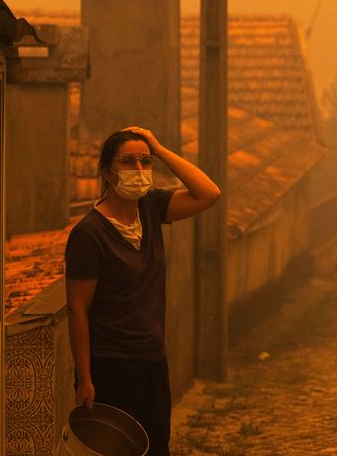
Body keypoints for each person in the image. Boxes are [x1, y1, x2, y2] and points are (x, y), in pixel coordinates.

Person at [64, 127, 220, 455]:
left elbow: (208, 194)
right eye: (127, 162)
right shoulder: (89, 234)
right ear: (107, 172)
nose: (138, 170)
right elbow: (77, 309)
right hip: (112, 364)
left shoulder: (150, 208)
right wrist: (85, 378)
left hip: (152, 359)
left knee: (156, 447)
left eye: (144, 162)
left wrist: (161, 150)